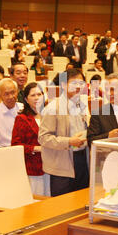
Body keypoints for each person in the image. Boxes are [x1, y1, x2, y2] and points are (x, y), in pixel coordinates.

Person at [38, 68, 89, 196]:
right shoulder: (52, 108)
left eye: (81, 83)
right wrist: (69, 141)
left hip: (82, 159)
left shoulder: (82, 105)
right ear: (63, 85)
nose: (78, 87)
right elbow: (43, 138)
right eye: (74, 83)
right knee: (63, 206)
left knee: (82, 202)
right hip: (62, 165)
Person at [11, 82, 50, 196]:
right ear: (26, 99)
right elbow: (16, 144)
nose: (37, 98)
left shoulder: (48, 116)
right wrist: (36, 148)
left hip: (50, 166)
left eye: (39, 94)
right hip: (33, 168)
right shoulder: (22, 118)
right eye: (33, 95)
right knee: (36, 201)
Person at [87, 73, 118, 146]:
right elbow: (90, 140)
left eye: (112, 90)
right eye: (107, 89)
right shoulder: (98, 113)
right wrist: (108, 136)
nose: (108, 93)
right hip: (110, 155)